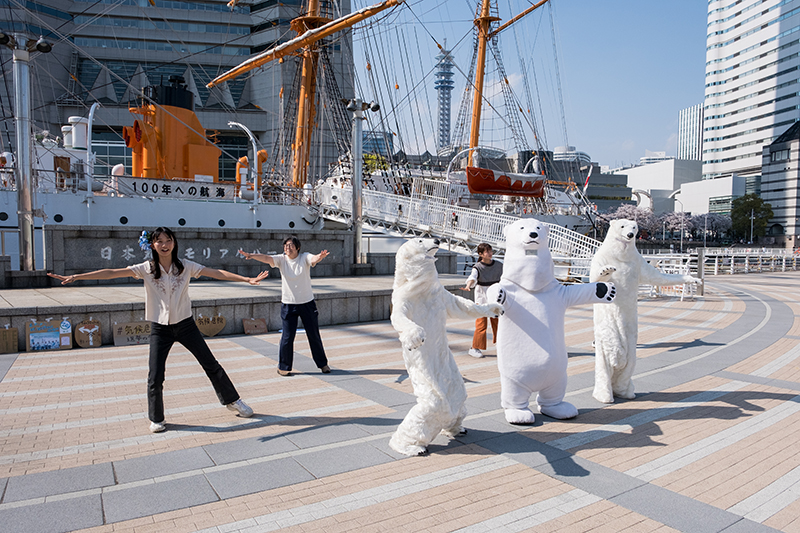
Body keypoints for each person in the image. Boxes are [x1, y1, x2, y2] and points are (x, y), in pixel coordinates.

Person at [48, 227, 267, 433]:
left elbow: (216, 272)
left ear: (174, 243)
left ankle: (233, 401)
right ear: (152, 245)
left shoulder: (185, 266)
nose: (164, 244)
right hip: (160, 328)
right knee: (155, 375)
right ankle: (156, 418)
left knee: (211, 364)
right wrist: (77, 277)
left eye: (168, 240)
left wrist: (246, 279)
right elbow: (112, 272)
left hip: (186, 324)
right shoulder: (146, 269)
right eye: (159, 241)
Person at [239, 237, 330, 376]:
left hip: (307, 303)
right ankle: (284, 367)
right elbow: (266, 258)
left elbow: (313, 259)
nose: (288, 248)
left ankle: (323, 364)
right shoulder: (281, 260)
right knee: (287, 337)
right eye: (286, 245)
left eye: (291, 245)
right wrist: (251, 256)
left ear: (297, 247)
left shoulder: (304, 257)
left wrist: (320, 257)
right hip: (289, 304)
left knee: (314, 335)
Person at [461, 243, 503, 358]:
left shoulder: (499, 265)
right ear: (480, 254)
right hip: (482, 300)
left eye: (491, 251)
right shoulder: (477, 267)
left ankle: (501, 346)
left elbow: (507, 277)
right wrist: (468, 286)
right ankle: (474, 348)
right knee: (481, 325)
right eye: (487, 251)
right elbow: (472, 277)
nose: (490, 253)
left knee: (499, 324)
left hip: (495, 300)